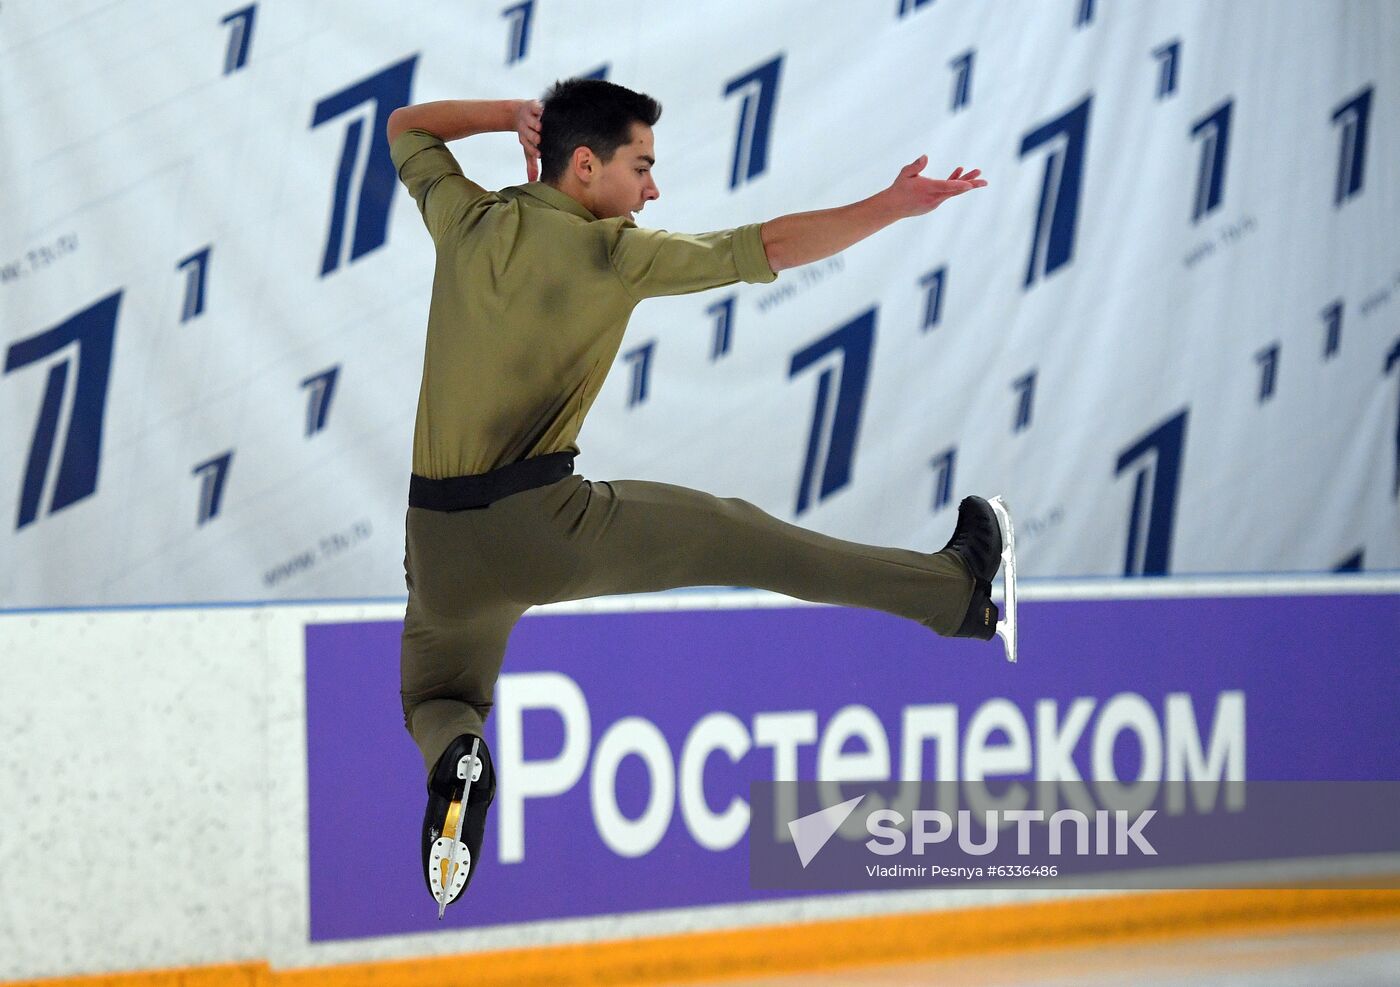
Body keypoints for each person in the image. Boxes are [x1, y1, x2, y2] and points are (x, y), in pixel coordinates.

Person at [384, 78, 1011, 914]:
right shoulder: (617, 252)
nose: (652, 190)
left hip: (435, 544)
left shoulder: (465, 219)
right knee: (735, 534)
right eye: (641, 167)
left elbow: (405, 126)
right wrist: (890, 205)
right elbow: (769, 246)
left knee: (437, 698)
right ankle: (960, 595)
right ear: (583, 164)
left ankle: (459, 759)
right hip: (540, 524)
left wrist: (505, 117)